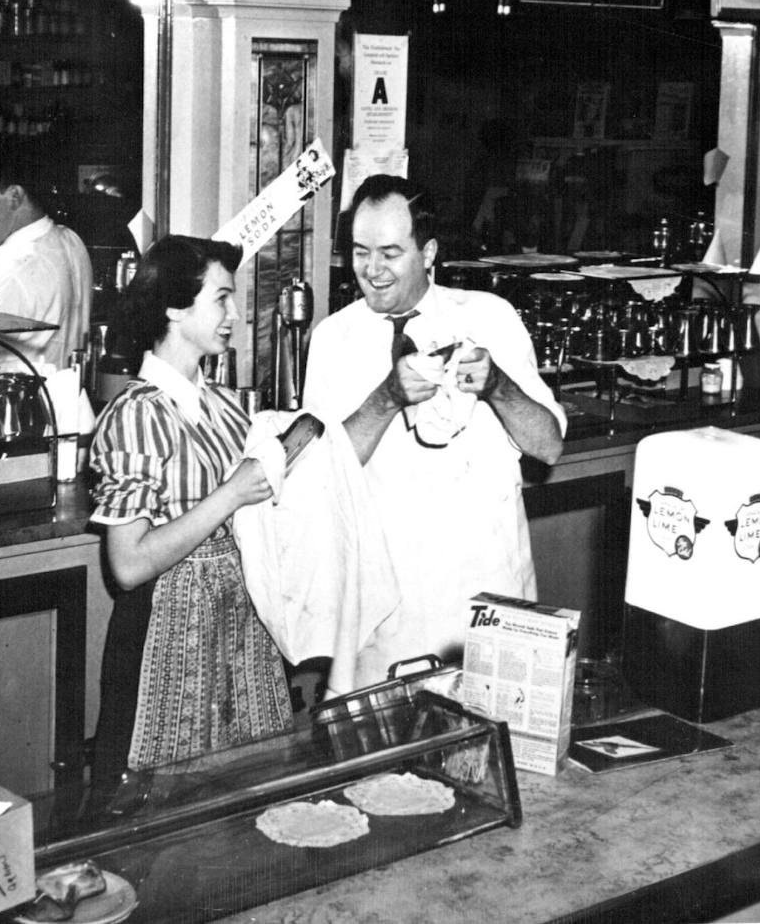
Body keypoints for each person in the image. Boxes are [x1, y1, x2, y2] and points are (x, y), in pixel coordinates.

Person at [302, 175, 567, 672]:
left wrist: (497, 386)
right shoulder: (332, 338)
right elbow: (320, 475)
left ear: (428, 253)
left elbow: (548, 447)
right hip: (385, 609)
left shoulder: (491, 317)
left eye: (390, 252)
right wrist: (386, 399)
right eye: (360, 252)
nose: (372, 270)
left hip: (485, 593)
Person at [88, 235, 292, 796]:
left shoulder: (228, 408)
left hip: (242, 631)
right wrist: (229, 495)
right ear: (176, 308)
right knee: (155, 814)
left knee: (248, 806)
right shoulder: (134, 415)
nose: (234, 314)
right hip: (164, 633)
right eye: (222, 298)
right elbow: (127, 565)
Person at [0, 136, 93, 372]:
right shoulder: (70, 240)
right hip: (66, 396)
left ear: (14, 196)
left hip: (16, 403)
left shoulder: (17, 269)